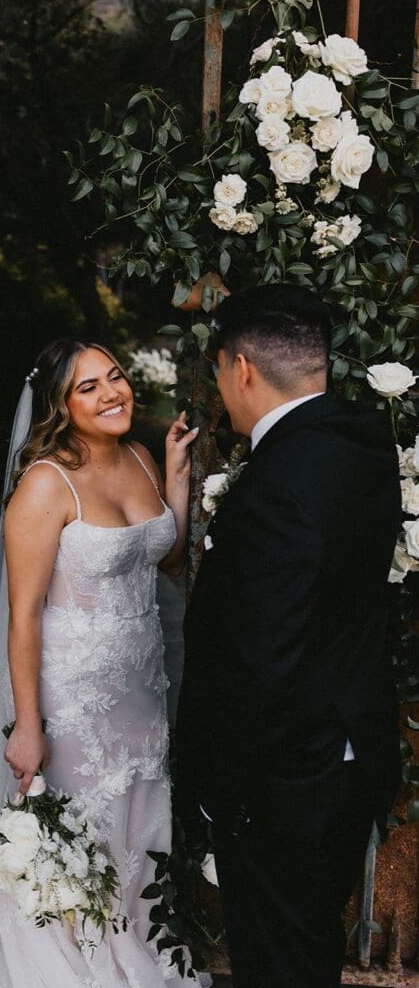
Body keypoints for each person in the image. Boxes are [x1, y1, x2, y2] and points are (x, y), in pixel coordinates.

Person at [0, 337, 208, 988]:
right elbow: (23, 615)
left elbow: (168, 561)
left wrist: (176, 475)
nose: (112, 393)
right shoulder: (43, 484)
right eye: (89, 387)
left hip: (140, 695)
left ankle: (127, 954)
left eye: (115, 376)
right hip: (71, 702)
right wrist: (28, 725)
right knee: (77, 842)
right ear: (60, 405)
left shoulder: (141, 457)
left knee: (132, 835)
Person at [174, 284, 402, 988]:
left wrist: (234, 791)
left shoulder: (278, 478)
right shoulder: (361, 441)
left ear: (241, 368)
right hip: (348, 756)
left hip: (287, 788)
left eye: (218, 370)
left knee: (278, 965)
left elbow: (266, 653)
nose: (221, 387)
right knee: (306, 956)